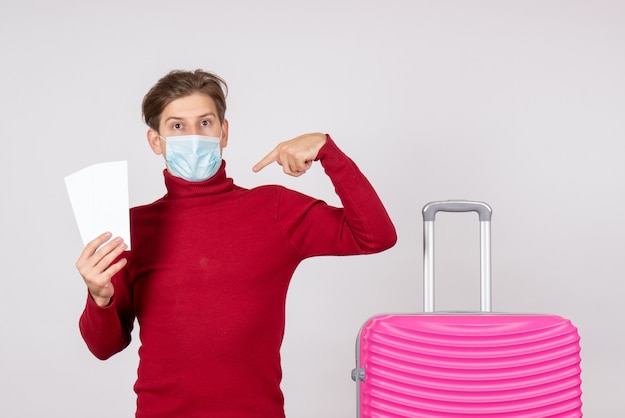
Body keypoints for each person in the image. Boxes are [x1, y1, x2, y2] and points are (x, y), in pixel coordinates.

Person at [76, 69, 397, 418]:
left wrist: (327, 151)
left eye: (205, 123)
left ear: (223, 132)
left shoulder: (273, 210)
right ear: (156, 141)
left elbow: (376, 236)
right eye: (177, 126)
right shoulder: (131, 228)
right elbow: (104, 347)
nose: (194, 136)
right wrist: (99, 297)